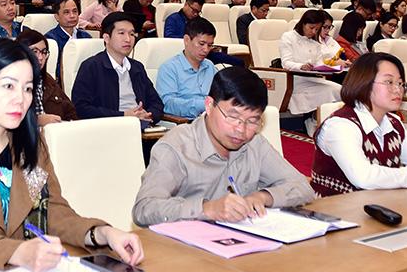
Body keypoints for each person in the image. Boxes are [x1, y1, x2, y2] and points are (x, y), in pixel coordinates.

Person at [0, 38, 144, 270]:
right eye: (8, 86)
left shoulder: (31, 145)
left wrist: (100, 233)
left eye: (28, 89)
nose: (20, 99)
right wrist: (14, 252)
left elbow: (53, 211)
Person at [133, 66, 314, 225]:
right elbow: (145, 209)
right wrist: (206, 209)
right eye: (233, 117)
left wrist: (262, 197)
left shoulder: (254, 143)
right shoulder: (176, 146)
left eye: (252, 121)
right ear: (209, 105)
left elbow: (302, 187)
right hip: (183, 248)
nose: (241, 130)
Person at [312, 53, 407, 196]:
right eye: (389, 82)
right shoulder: (340, 125)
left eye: (400, 83)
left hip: (378, 205)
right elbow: (363, 177)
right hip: (334, 209)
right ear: (364, 83)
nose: (398, 89)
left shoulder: (394, 123)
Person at [72, 12, 163, 123]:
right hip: (109, 128)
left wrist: (149, 115)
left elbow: (157, 103)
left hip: (141, 126)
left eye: (132, 34)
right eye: (121, 33)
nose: (128, 39)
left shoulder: (137, 67)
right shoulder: (91, 67)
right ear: (106, 38)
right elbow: (81, 108)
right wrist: (123, 116)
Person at [277, 10, 343, 118]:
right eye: (311, 28)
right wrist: (301, 66)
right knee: (329, 91)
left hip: (313, 79)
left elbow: (319, 64)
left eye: (317, 29)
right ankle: (314, 120)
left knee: (340, 90)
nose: (313, 32)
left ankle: (319, 119)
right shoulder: (288, 37)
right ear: (303, 24)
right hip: (294, 80)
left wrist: (329, 68)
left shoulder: (315, 43)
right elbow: (286, 63)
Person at [155, 17, 219, 119]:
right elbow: (167, 104)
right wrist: (203, 105)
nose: (206, 50)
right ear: (186, 40)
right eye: (201, 44)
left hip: (212, 119)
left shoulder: (210, 66)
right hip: (186, 122)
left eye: (210, 45)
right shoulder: (169, 68)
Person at [15, 29, 76, 124]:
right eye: (34, 51)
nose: (40, 57)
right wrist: (36, 120)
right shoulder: (10, 83)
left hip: (57, 131)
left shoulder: (48, 79)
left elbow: (70, 111)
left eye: (44, 52)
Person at [43, 0, 91, 81]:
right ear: (57, 17)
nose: (72, 16)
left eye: (75, 11)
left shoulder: (86, 36)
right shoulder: (51, 39)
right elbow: (53, 69)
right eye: (66, 12)